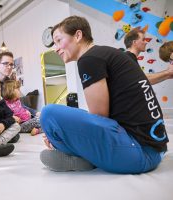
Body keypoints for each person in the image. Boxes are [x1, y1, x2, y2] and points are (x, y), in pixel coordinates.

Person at [39, 16, 168, 174]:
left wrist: (65, 137)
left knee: (48, 114)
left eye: (59, 40)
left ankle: (80, 156)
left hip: (140, 154)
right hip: (155, 150)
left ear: (78, 36)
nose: (56, 48)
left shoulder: (89, 59)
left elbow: (99, 118)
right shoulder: (105, 53)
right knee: (73, 116)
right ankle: (82, 156)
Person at [0, 51, 37, 116]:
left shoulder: (9, 82)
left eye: (11, 64)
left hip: (11, 116)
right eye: (6, 63)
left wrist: (35, 113)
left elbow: (18, 104)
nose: (9, 67)